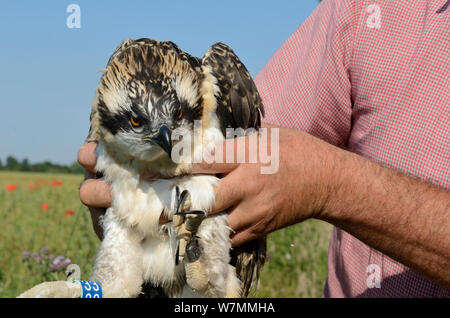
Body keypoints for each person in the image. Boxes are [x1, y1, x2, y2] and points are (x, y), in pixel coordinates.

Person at [78, 0, 450, 297]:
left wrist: (332, 184)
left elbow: (303, 167)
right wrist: (123, 209)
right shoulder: (368, 8)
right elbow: (262, 157)